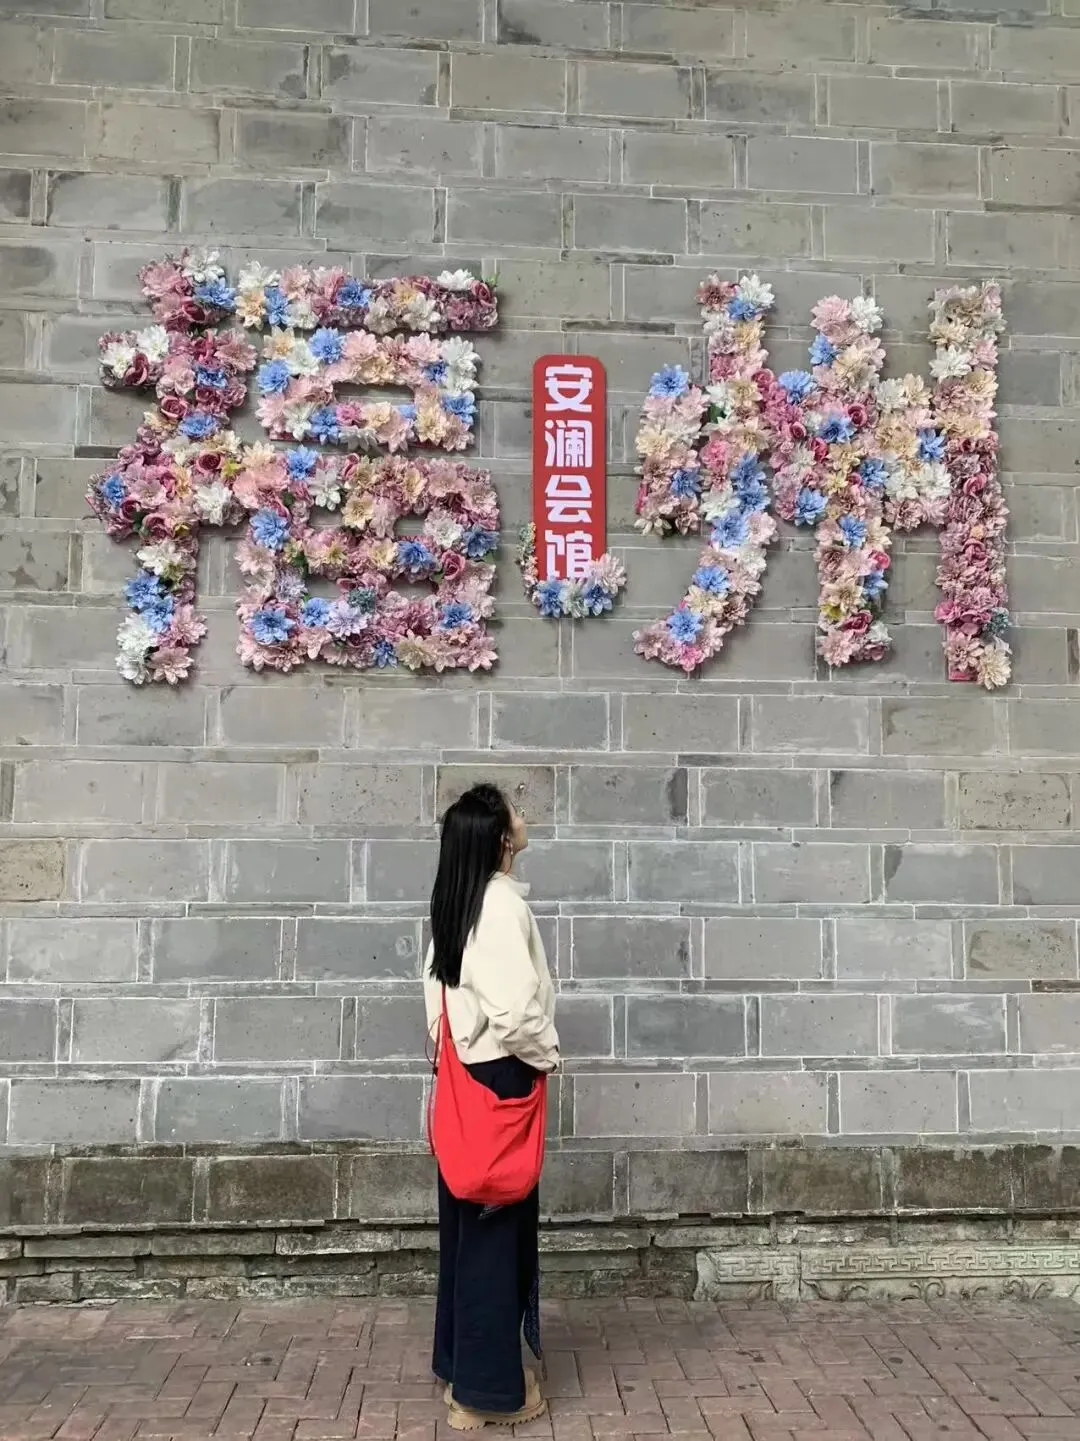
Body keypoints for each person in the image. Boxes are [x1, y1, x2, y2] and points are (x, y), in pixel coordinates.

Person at [424, 782, 559, 1432]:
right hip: (501, 1076)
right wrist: (549, 1054)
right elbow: (515, 1013)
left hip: (463, 1079)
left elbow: (437, 998)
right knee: (494, 1239)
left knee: (467, 1230)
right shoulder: (500, 904)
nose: (525, 817)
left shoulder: (457, 897)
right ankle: (482, 1394)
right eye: (517, 811)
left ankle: (461, 1366)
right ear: (503, 837)